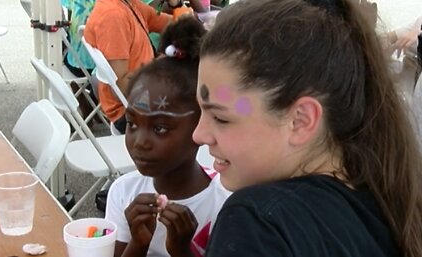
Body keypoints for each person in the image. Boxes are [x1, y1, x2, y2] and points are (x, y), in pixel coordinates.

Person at [192, 0, 422, 256]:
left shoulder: (260, 224)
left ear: (301, 120)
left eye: (221, 118)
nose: (199, 135)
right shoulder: (389, 207)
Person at [104, 16, 231, 257]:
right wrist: (138, 243)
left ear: (200, 126)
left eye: (160, 128)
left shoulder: (224, 206)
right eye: (131, 123)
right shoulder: (123, 191)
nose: (140, 142)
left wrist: (182, 250)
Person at [84, 0, 172, 133]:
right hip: (132, 113)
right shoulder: (113, 16)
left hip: (143, 96)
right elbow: (121, 88)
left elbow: (173, 24)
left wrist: (175, 5)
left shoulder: (129, 5)